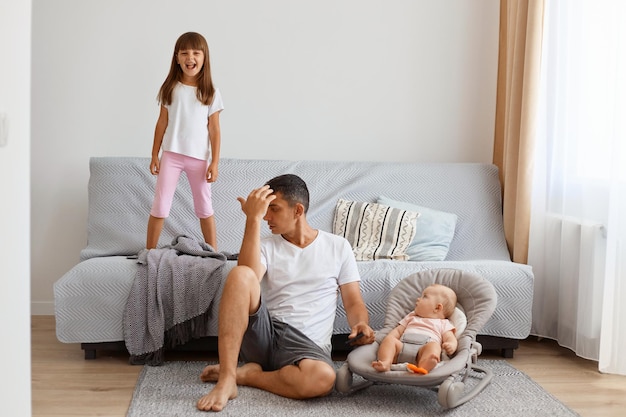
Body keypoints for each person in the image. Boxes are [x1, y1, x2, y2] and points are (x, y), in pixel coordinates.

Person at [196, 174, 375, 412]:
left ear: (298, 210)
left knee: (323, 378)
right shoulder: (266, 245)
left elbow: (353, 302)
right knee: (239, 274)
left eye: (274, 209)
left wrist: (361, 324)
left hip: (307, 344)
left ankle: (248, 376)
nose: (267, 217)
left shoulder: (338, 246)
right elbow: (247, 277)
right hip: (266, 334)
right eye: (265, 210)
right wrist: (252, 219)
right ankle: (227, 378)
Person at [146, 32, 223, 250]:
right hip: (171, 155)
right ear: (177, 58)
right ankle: (149, 251)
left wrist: (215, 162)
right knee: (160, 205)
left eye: (196, 53)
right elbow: (161, 123)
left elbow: (215, 130)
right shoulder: (170, 88)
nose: (191, 57)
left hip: (199, 159)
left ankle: (214, 252)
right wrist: (154, 154)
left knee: (204, 206)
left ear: (204, 57)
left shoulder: (211, 92)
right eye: (185, 53)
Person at [372, 284, 458, 375]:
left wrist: (451, 345)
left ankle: (424, 365)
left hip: (422, 352)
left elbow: (450, 338)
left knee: (434, 346)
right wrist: (389, 340)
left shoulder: (443, 323)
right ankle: (386, 362)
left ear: (437, 308)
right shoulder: (411, 317)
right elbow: (398, 331)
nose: (418, 299)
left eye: (424, 296)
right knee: (389, 340)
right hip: (401, 348)